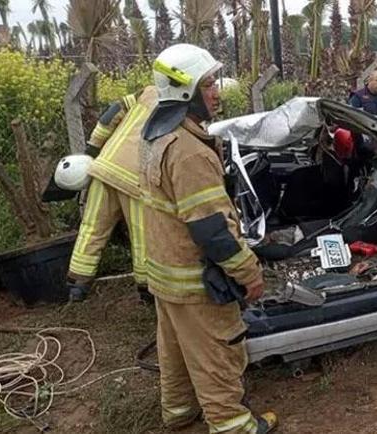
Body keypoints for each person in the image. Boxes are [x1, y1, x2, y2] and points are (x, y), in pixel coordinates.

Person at [140, 44, 277, 433]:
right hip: (196, 279)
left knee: (178, 351)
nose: (217, 91)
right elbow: (212, 230)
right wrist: (249, 273)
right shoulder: (188, 153)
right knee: (218, 353)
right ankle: (234, 426)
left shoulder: (156, 135)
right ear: (186, 92)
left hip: (167, 276)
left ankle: (180, 414)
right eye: (209, 84)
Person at [64, 86, 158, 304]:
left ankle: (77, 286)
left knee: (92, 228)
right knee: (141, 235)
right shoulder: (184, 106)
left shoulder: (148, 92)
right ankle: (146, 290)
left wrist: (92, 148)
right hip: (135, 179)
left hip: (105, 168)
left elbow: (111, 113)